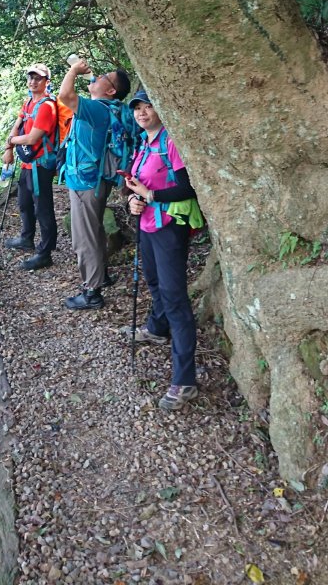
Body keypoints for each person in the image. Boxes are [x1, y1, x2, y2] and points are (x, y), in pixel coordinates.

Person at [125, 89, 200, 412]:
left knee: (174, 297)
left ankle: (185, 380)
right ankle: (157, 329)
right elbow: (135, 183)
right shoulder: (143, 142)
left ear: (160, 109)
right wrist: (132, 200)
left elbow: (188, 185)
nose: (142, 113)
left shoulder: (171, 141)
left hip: (170, 224)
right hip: (146, 224)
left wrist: (151, 196)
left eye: (147, 107)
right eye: (137, 109)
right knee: (154, 283)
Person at [58, 57, 132, 310]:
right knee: (95, 228)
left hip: (86, 182)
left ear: (111, 90)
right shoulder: (113, 109)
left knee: (84, 236)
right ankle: (102, 274)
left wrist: (73, 70)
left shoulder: (98, 109)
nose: (97, 78)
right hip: (97, 179)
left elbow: (65, 95)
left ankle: (92, 292)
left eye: (104, 78)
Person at [3, 62, 58, 271]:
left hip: (41, 164)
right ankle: (27, 238)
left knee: (43, 208)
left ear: (46, 82)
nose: (33, 81)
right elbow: (17, 126)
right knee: (25, 203)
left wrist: (12, 141)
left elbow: (34, 137)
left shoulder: (47, 106)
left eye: (38, 78)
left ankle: (45, 253)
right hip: (27, 162)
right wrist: (9, 146)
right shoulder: (28, 102)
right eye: (31, 77)